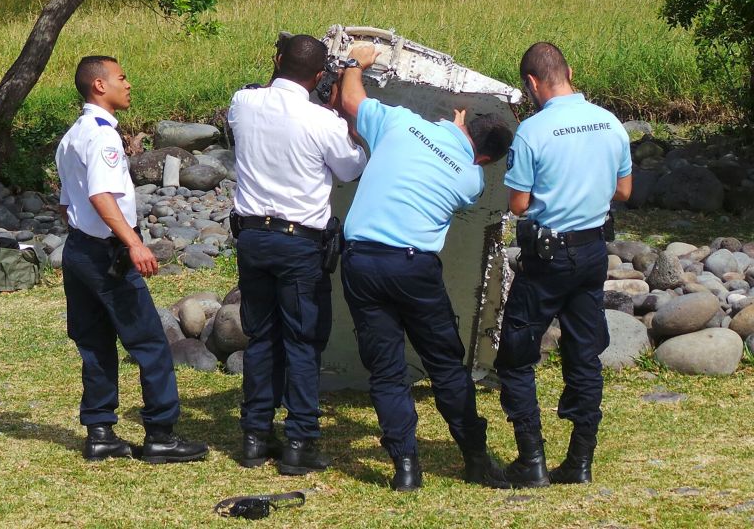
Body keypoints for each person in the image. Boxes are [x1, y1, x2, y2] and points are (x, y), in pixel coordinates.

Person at [338, 44, 514, 492]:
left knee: (386, 368)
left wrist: (355, 63)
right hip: (415, 269)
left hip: (363, 261)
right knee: (445, 365)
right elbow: (458, 160)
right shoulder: (471, 178)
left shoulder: (401, 123)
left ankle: (405, 467)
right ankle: (475, 457)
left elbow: (350, 102)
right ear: (488, 159)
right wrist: (459, 140)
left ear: (465, 122)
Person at [57, 56, 208, 464]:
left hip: (78, 249)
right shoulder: (103, 137)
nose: (129, 84)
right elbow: (101, 195)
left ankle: (100, 431)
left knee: (95, 343)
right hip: (108, 252)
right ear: (99, 86)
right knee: (150, 342)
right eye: (122, 77)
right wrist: (133, 244)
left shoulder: (73, 134)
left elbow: (67, 200)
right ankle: (161, 433)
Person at [227, 35, 367, 475]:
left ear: (277, 62)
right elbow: (351, 167)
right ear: (320, 76)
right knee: (303, 342)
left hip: (252, 237)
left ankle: (254, 435)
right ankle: (300, 441)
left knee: (261, 337)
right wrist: (346, 116)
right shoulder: (321, 122)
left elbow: (266, 95)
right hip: (299, 242)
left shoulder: (243, 103)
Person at [495, 42, 632, 487]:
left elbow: (518, 204)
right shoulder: (610, 123)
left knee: (516, 356)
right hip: (594, 252)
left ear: (532, 84)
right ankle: (580, 461)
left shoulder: (533, 132)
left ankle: (531, 460)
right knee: (584, 353)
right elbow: (624, 191)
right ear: (569, 71)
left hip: (547, 258)